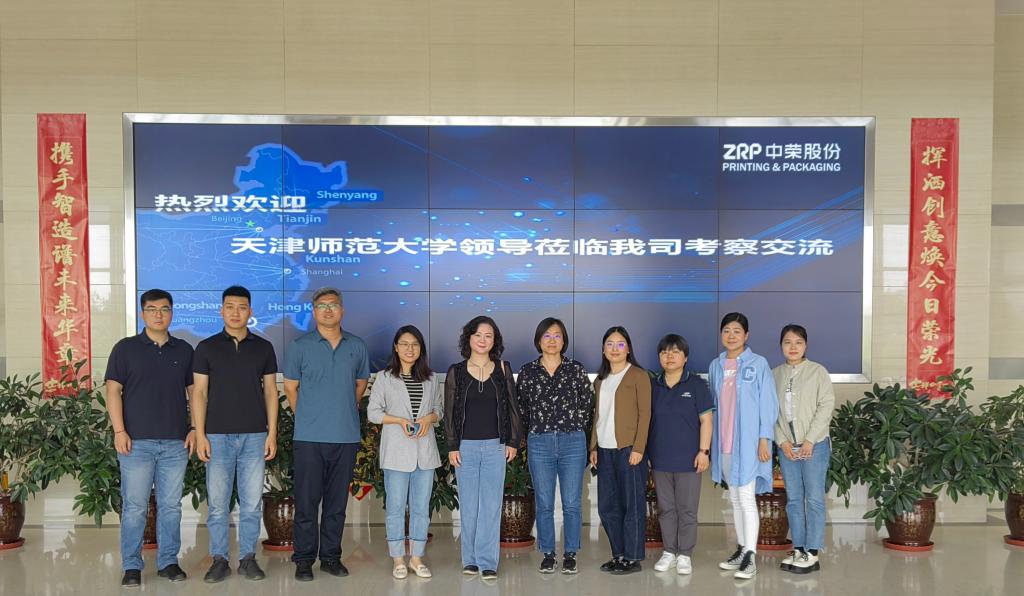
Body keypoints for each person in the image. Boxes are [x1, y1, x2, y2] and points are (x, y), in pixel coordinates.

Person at [105, 289, 195, 587]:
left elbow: (194, 392)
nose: (159, 314)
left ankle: (168, 561)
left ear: (172, 313)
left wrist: (195, 427)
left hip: (175, 443)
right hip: (136, 443)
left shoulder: (184, 350)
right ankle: (132, 565)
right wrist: (119, 431)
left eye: (165, 309)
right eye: (152, 309)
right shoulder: (125, 349)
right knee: (135, 506)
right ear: (142, 313)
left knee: (171, 506)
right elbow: (113, 391)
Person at [192, 286, 279, 583]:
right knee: (218, 504)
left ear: (250, 311)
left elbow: (271, 392)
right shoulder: (206, 347)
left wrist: (271, 433)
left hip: (255, 436)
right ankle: (219, 559)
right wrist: (200, 434)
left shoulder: (263, 347)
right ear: (221, 310)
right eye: (230, 307)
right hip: (217, 436)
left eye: (242, 307)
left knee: (251, 503)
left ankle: (247, 558)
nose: (235, 312)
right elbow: (199, 393)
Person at [283, 288, 370, 582]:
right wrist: (310, 416)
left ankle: (331, 557)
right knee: (306, 503)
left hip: (345, 436)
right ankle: (304, 559)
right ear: (314, 311)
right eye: (322, 305)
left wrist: (339, 409)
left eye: (333, 305)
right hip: (309, 437)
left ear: (342, 310)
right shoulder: (300, 346)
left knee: (336, 504)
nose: (328, 310)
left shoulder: (356, 346)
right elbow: (291, 388)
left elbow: (360, 385)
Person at [444, 315, 522, 581]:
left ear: (494, 341)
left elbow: (512, 407)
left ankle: (488, 562)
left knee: (491, 505)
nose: (482, 340)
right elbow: (449, 412)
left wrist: (513, 441)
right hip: (465, 447)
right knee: (469, 506)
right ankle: (470, 560)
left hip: (495, 447)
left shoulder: (502, 369)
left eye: (488, 336)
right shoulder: (456, 371)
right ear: (469, 338)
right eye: (478, 334)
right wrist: (452, 445)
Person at [516, 318, 594, 575]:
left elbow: (587, 406)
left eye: (557, 335)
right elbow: (522, 409)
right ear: (539, 340)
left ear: (564, 340)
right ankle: (548, 553)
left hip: (573, 441)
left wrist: (575, 429)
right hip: (540, 442)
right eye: (547, 336)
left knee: (571, 502)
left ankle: (570, 553)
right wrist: (530, 435)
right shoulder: (528, 372)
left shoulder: (576, 369)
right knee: (544, 501)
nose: (552, 340)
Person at [367, 325, 443, 580]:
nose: (410, 349)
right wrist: (399, 420)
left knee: (421, 508)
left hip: (425, 453)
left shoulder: (431, 378)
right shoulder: (385, 377)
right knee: (396, 508)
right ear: (396, 348)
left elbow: (439, 410)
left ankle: (417, 558)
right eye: (405, 344)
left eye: (415, 344)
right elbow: (373, 413)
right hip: (396, 453)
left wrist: (429, 418)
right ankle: (398, 558)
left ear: (421, 348)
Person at [709, 312, 779, 580]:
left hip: (749, 444)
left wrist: (764, 438)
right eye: (726, 330)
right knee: (735, 498)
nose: (731, 335)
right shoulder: (716, 365)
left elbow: (768, 404)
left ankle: (751, 556)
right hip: (724, 443)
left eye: (737, 331)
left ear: (746, 335)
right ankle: (741, 549)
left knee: (747, 498)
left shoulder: (758, 364)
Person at [648, 334, 713, 576]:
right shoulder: (653, 386)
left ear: (685, 357)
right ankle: (669, 551)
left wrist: (704, 451)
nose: (670, 356)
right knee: (666, 509)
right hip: (660, 459)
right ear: (659, 357)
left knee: (687, 509)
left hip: (689, 460)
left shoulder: (696, 385)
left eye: (675, 352)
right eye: (665, 352)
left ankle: (684, 554)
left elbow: (706, 421)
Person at [589, 326, 651, 576]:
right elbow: (597, 416)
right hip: (605, 451)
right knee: (607, 506)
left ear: (628, 348)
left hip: (629, 450)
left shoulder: (638, 375)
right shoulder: (600, 380)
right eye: (610, 344)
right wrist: (593, 446)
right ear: (603, 349)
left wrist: (639, 448)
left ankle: (632, 557)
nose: (615, 349)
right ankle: (619, 554)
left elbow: (645, 415)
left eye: (620, 344)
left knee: (632, 506)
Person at [773, 324, 834, 575]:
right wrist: (782, 442)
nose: (793, 347)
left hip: (814, 446)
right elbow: (771, 413)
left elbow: (826, 406)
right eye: (788, 342)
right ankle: (799, 548)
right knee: (794, 500)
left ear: (805, 345)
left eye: (798, 342)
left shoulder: (818, 372)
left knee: (815, 499)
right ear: (781, 345)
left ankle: (812, 552)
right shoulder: (775, 374)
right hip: (787, 447)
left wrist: (809, 440)